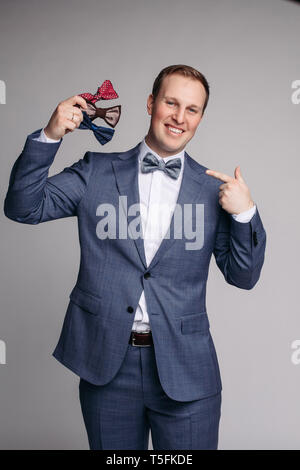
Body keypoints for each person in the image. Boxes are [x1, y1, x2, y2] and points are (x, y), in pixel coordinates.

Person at [4, 64, 266, 450]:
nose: (179, 117)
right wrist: (49, 135)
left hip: (186, 370)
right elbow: (23, 207)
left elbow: (244, 276)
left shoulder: (214, 191)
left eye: (192, 109)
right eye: (171, 102)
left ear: (200, 117)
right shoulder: (96, 171)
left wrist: (245, 213)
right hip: (107, 365)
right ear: (150, 103)